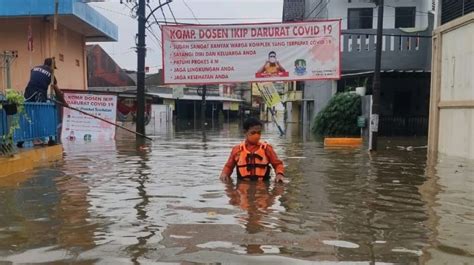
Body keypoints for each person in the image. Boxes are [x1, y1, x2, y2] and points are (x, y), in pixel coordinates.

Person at [220, 117, 285, 183]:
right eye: (253, 133)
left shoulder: (267, 149)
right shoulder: (237, 150)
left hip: (262, 188)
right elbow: (229, 166)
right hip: (242, 188)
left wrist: (279, 174)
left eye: (259, 133)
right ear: (245, 132)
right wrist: (224, 174)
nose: (256, 135)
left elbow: (278, 164)